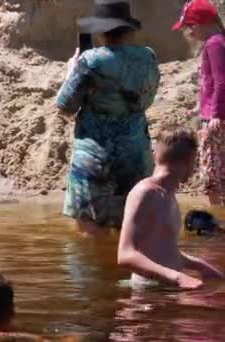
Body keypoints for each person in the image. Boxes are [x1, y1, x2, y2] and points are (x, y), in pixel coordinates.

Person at [56, 0, 160, 235]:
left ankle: (97, 272)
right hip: (136, 154)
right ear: (129, 29)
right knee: (134, 229)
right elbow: (147, 100)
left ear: (101, 31)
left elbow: (64, 105)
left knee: (91, 232)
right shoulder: (148, 57)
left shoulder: (90, 61)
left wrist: (72, 70)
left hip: (95, 157)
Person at [118, 127, 224, 290]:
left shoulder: (168, 196)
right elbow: (125, 255)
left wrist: (199, 265)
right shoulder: (145, 193)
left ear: (156, 155)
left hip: (166, 289)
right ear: (189, 161)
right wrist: (178, 277)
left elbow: (162, 251)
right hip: (147, 296)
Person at [173, 0, 225, 206]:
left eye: (189, 26)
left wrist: (216, 114)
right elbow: (212, 83)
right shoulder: (217, 42)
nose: (188, 32)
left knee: (211, 177)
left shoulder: (214, 44)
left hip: (215, 122)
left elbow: (222, 81)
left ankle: (217, 224)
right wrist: (199, 107)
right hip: (212, 116)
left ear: (201, 23)